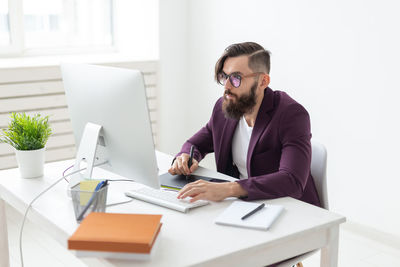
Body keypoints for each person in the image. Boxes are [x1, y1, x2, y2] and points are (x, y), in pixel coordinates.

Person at [169, 42, 321, 207]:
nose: (226, 86)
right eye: (225, 76)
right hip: (245, 204)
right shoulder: (225, 108)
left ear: (263, 81)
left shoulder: (291, 114)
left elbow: (292, 180)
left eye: (236, 78)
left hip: (291, 208)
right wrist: (185, 157)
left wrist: (229, 189)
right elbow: (195, 144)